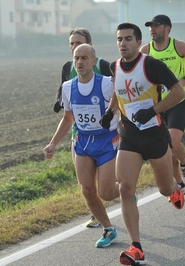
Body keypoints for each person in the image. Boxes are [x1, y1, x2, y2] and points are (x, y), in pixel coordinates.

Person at [99, 22, 185, 265]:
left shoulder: (152, 65)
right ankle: (136, 247)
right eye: (119, 39)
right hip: (129, 135)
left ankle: (174, 190)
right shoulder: (113, 67)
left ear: (139, 43)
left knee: (164, 189)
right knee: (125, 188)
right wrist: (109, 112)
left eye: (128, 39)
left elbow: (178, 92)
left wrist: (153, 111)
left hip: (155, 134)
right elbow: (119, 92)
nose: (123, 44)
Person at [43, 44, 120, 248]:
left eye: (85, 58)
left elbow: (121, 106)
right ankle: (108, 229)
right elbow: (68, 119)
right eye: (77, 58)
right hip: (83, 141)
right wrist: (52, 143)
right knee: (87, 190)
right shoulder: (68, 87)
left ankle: (126, 189)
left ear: (94, 61)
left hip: (106, 140)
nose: (80, 62)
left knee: (106, 192)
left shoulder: (106, 84)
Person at [53, 28, 112, 228]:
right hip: (78, 134)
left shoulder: (103, 67)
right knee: (86, 185)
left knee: (105, 187)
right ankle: (100, 218)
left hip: (105, 135)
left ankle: (124, 192)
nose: (74, 48)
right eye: (72, 44)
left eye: (79, 43)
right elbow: (64, 93)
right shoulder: (67, 68)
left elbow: (116, 97)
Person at [140, 14, 185, 195]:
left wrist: (184, 80)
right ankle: (179, 184)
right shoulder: (146, 50)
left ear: (167, 29)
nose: (152, 30)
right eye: (150, 27)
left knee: (172, 144)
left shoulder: (179, 46)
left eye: (156, 26)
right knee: (166, 148)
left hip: (178, 102)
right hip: (158, 106)